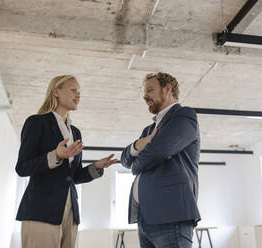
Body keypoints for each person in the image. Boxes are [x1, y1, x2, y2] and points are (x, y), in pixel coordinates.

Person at [15, 75, 116, 248]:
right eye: (73, 90)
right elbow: (22, 168)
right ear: (56, 92)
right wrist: (55, 155)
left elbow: (73, 177)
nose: (78, 95)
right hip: (41, 210)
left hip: (70, 212)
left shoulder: (75, 132)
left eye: (79, 92)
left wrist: (95, 167)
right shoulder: (37, 122)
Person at [121, 72, 201, 248]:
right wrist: (138, 145)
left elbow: (159, 151)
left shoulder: (184, 116)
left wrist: (136, 166)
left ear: (168, 89)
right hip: (146, 217)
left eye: (150, 90)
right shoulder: (148, 130)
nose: (145, 96)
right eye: (144, 92)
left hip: (171, 214)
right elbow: (124, 159)